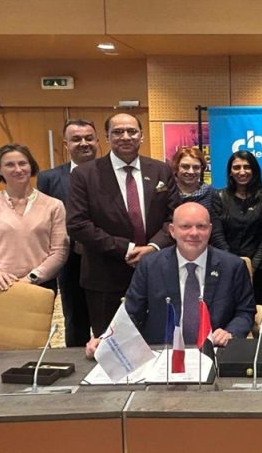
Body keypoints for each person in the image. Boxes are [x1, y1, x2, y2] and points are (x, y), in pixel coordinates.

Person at [85, 203, 255, 355]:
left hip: (215, 352)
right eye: (186, 226)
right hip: (161, 354)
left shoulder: (232, 266)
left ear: (210, 230)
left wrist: (230, 332)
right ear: (172, 231)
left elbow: (245, 311)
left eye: (201, 226)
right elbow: (131, 312)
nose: (194, 233)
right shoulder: (150, 265)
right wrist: (106, 340)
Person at [67, 113, 179, 337]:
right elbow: (77, 223)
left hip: (156, 271)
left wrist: (153, 248)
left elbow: (174, 217)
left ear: (141, 136)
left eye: (132, 131)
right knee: (110, 343)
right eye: (118, 132)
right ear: (106, 137)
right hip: (105, 276)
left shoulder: (160, 170)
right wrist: (127, 249)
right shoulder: (84, 174)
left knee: (159, 341)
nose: (126, 137)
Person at [0, 144, 68, 294]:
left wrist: (31, 278)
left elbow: (60, 251)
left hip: (40, 286)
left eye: (22, 163)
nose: (18, 169)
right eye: (10, 165)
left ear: (31, 166)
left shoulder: (54, 206)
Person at [37, 119, 98, 347]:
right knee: (75, 318)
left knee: (110, 317)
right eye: (76, 139)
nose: (84, 143)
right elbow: (45, 219)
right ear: (66, 144)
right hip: (70, 260)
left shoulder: (112, 172)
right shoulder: (49, 178)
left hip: (107, 257)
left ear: (97, 141)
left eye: (89, 138)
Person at [210, 150, 262, 323]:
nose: (242, 171)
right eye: (237, 167)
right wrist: (234, 264)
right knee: (226, 316)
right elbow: (217, 233)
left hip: (260, 269)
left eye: (247, 167)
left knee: (259, 318)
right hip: (225, 267)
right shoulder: (219, 197)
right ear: (230, 171)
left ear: (254, 170)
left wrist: (252, 266)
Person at [171, 146, 217, 212]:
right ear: (176, 167)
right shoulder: (168, 193)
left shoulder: (210, 193)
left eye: (196, 167)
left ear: (202, 169)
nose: (191, 172)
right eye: (185, 166)